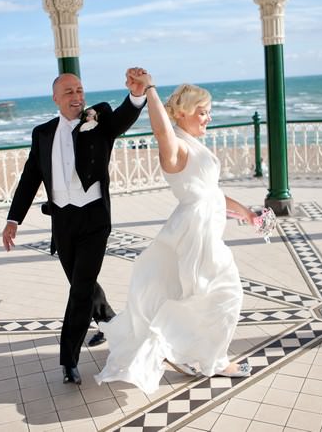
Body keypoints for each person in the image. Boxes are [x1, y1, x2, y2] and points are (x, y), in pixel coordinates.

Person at [95, 74, 258, 394]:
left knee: (196, 295)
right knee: (223, 295)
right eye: (203, 111)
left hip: (205, 227)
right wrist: (151, 91)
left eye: (209, 111)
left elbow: (212, 192)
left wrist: (248, 213)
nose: (208, 117)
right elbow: (160, 131)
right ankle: (212, 361)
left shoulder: (194, 144)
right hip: (195, 233)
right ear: (181, 113)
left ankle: (184, 352)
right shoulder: (177, 146)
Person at [2, 68, 148, 385]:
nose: (76, 97)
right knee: (82, 282)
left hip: (95, 220)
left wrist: (137, 95)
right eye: (68, 92)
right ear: (55, 98)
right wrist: (13, 219)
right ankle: (107, 316)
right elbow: (30, 178)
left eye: (80, 90)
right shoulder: (42, 133)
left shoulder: (100, 120)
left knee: (80, 289)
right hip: (64, 223)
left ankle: (68, 359)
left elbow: (123, 117)